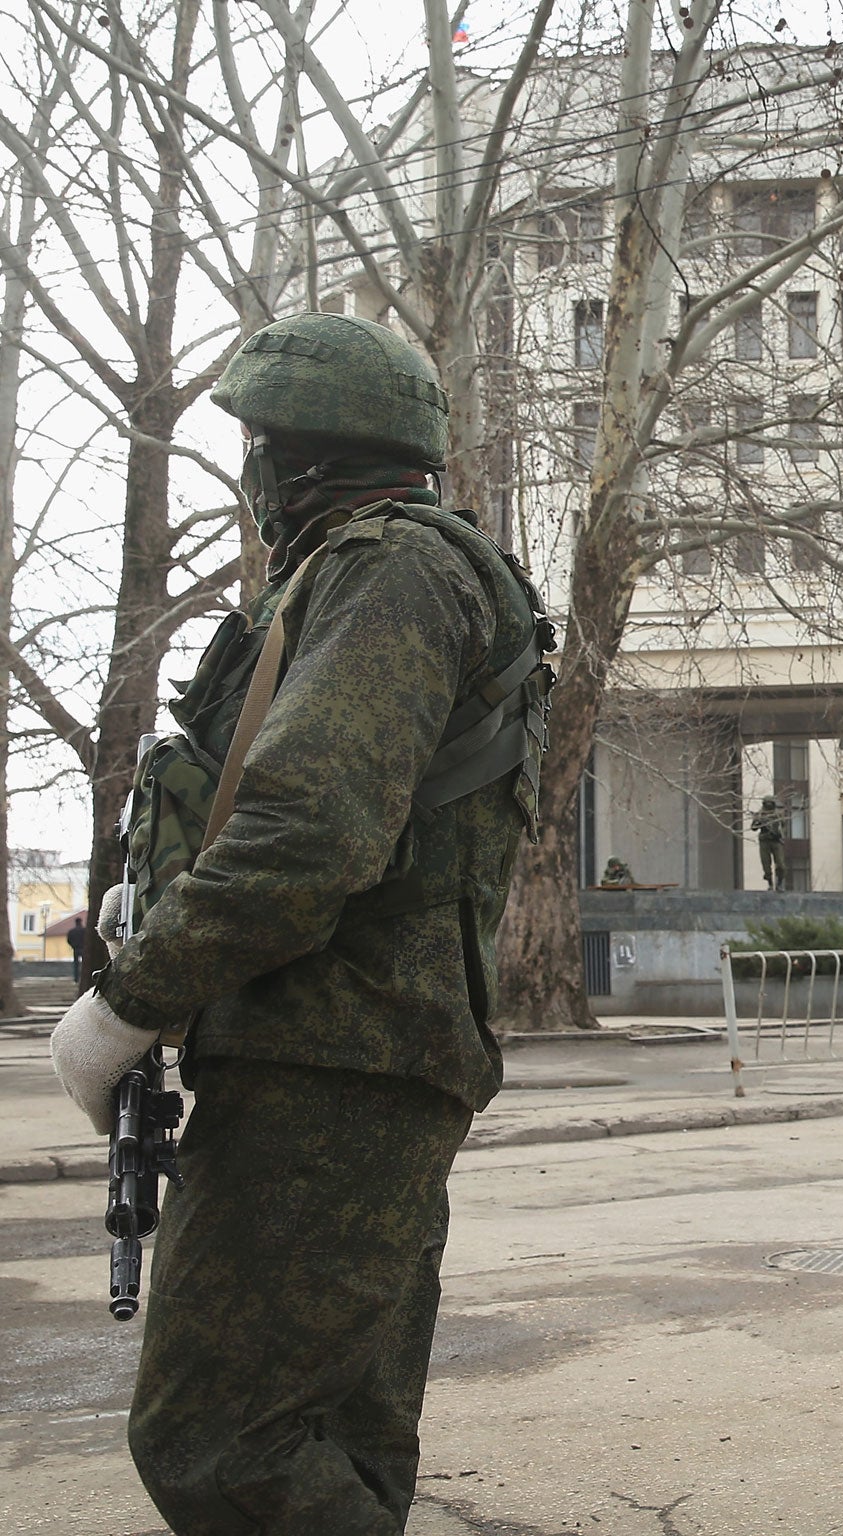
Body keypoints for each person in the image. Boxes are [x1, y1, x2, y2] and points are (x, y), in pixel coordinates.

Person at [49, 312, 549, 1534]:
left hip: (333, 1065)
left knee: (218, 1439)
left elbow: (309, 833)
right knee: (336, 1435)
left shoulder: (393, 569)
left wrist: (127, 1004)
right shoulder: (375, 572)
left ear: (295, 456)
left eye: (256, 445)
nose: (251, 473)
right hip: (355, 1057)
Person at [752, 795, 788, 890]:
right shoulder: (759, 814)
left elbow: (784, 826)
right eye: (766, 803)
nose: (768, 805)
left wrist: (780, 834)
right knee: (766, 865)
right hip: (764, 841)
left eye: (770, 803)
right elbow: (753, 828)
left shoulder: (778, 814)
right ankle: (770, 884)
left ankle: (779, 883)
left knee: (780, 865)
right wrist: (759, 823)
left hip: (776, 841)